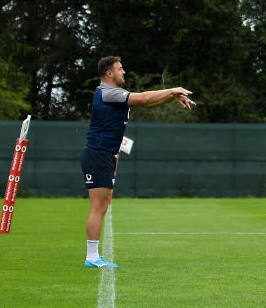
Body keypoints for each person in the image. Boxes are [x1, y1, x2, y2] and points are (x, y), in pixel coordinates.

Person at [82, 56, 194, 268]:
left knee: (101, 207)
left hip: (101, 154)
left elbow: (148, 103)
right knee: (98, 207)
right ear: (109, 74)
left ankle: (94, 257)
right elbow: (143, 98)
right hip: (98, 153)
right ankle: (92, 258)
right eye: (120, 69)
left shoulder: (112, 93)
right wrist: (172, 90)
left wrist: (172, 96)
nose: (124, 72)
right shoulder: (109, 92)